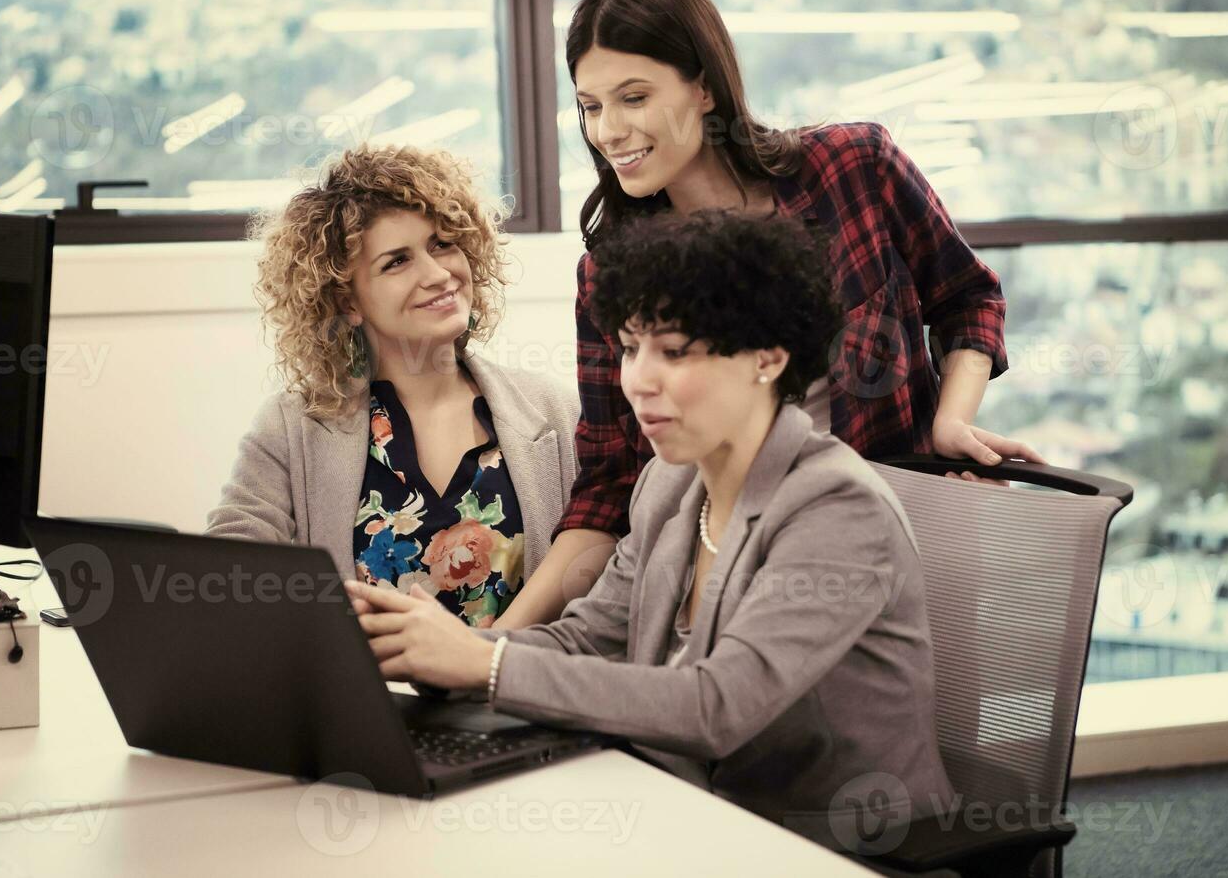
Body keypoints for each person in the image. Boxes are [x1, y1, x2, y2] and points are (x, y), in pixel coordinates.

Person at [345, 209, 956, 847]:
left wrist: (488, 664)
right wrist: (442, 652)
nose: (638, 380)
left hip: (837, 847)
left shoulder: (837, 510)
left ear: (768, 360)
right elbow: (588, 637)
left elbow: (716, 708)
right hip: (689, 820)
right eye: (632, 348)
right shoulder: (671, 482)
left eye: (674, 351)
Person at [495, 0, 1042, 630]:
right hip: (725, 587)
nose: (607, 131)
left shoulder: (854, 167)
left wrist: (949, 422)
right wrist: (498, 640)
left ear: (703, 88)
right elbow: (609, 488)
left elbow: (967, 298)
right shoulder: (613, 270)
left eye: (633, 98)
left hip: (896, 539)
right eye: (590, 105)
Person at [207, 144, 579, 628]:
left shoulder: (555, 410)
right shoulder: (292, 425)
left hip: (512, 694)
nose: (438, 274)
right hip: (368, 697)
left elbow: (603, 582)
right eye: (397, 262)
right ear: (346, 300)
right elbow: (228, 573)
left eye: (443, 243)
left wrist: (482, 659)